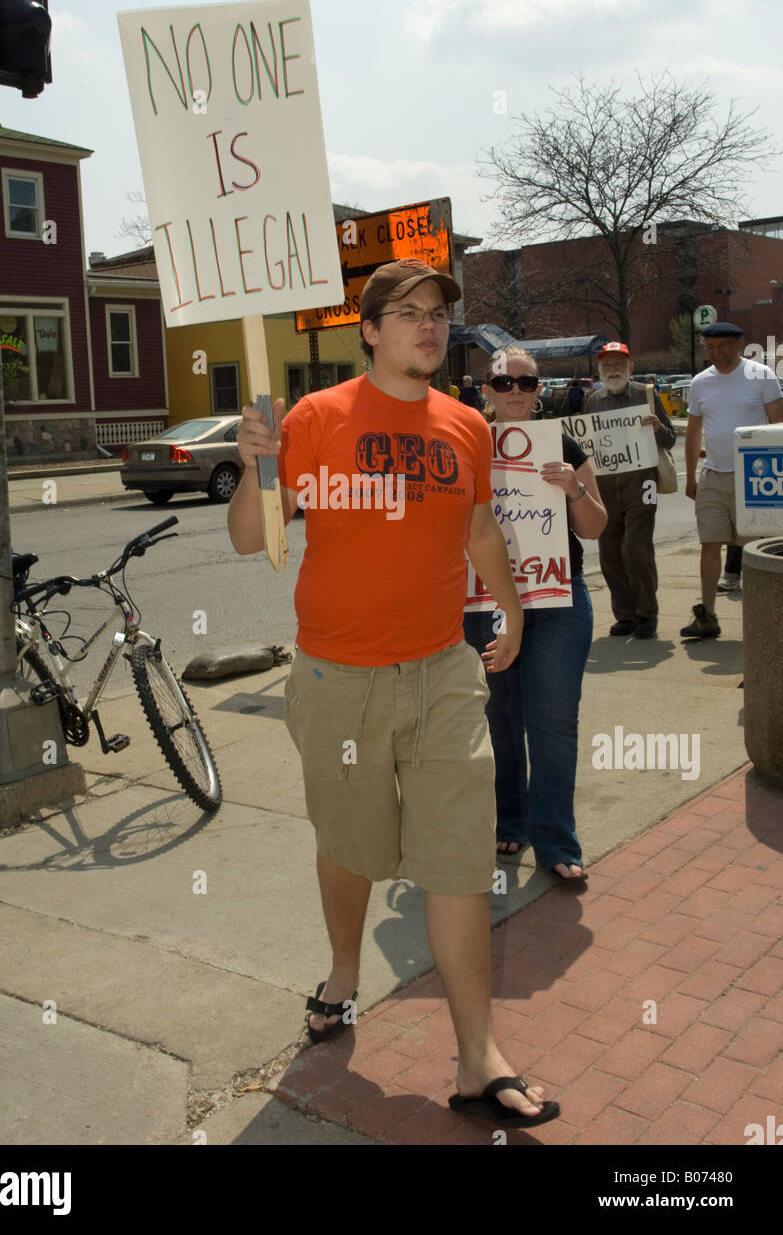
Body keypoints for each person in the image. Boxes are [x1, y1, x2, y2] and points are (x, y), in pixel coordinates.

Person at [227, 257, 559, 1130]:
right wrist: (251, 468)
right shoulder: (314, 418)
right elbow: (250, 538)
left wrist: (513, 612)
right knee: (351, 843)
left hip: (444, 670)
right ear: (368, 330)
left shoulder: (465, 426)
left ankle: (476, 1056)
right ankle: (344, 969)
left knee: (457, 858)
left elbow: (480, 524)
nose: (428, 326)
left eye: (438, 315)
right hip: (338, 678)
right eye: (406, 313)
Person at [464, 347, 607, 881]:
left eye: (527, 382)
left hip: (557, 600)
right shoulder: (465, 441)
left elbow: (594, 528)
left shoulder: (563, 446)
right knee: (499, 721)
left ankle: (556, 842)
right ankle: (511, 819)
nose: (516, 391)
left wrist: (573, 489)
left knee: (551, 723)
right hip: (485, 603)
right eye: (504, 383)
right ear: (487, 389)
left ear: (539, 389)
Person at [682, 323, 783, 637]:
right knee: (709, 543)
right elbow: (694, 430)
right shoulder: (700, 382)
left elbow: (778, 424)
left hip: (755, 477)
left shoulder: (761, 376)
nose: (717, 353)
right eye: (711, 348)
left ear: (739, 345)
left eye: (723, 346)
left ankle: (764, 619)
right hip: (713, 475)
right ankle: (707, 616)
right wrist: (690, 477)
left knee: (757, 549)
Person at [583, 342, 676, 639]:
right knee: (610, 552)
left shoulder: (646, 394)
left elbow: (671, 438)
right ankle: (624, 615)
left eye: (618, 364)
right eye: (607, 365)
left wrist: (658, 428)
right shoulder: (593, 400)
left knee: (636, 547)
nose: (613, 370)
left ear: (630, 367)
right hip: (606, 485)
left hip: (641, 482)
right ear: (599, 370)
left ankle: (647, 613)